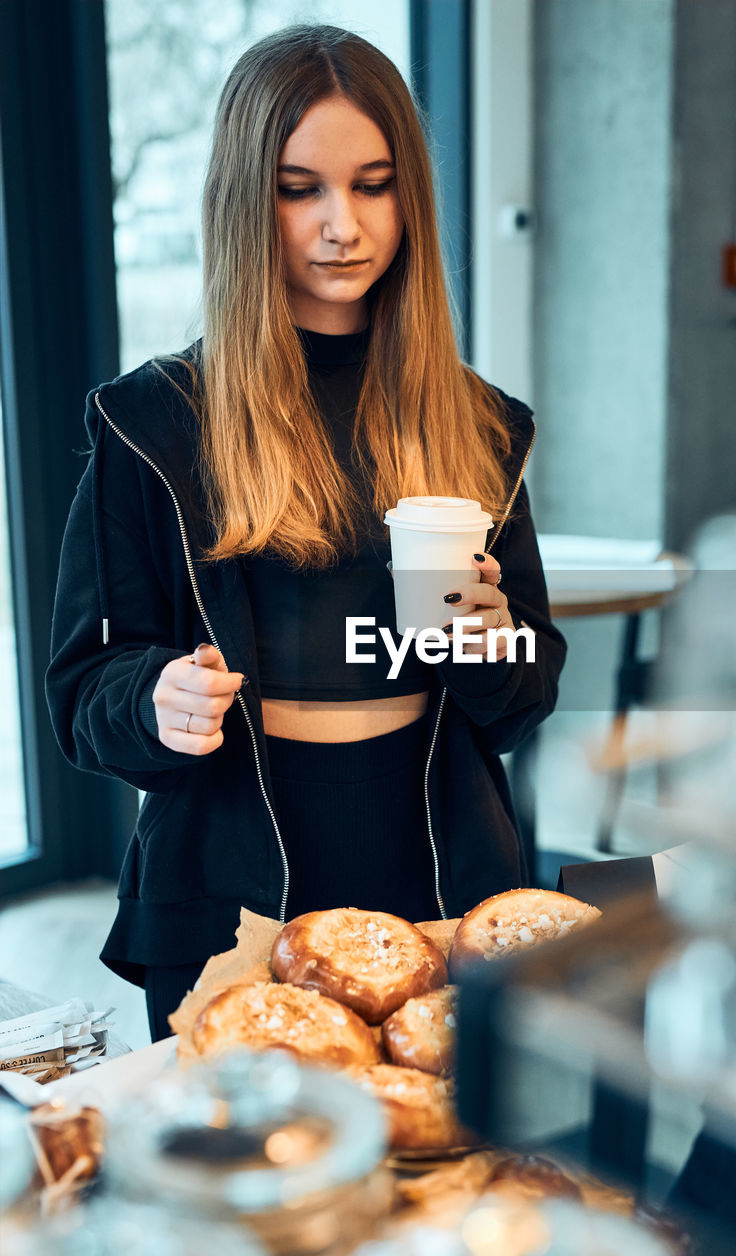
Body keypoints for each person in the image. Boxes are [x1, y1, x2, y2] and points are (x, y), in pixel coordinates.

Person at [46, 25, 566, 1042]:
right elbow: (79, 691)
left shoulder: (480, 423)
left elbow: (523, 695)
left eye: (373, 184)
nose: (344, 225)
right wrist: (154, 697)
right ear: (248, 200)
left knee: (443, 1172)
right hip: (225, 884)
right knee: (251, 1185)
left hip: (440, 871)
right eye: (301, 189)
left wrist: (487, 640)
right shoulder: (152, 424)